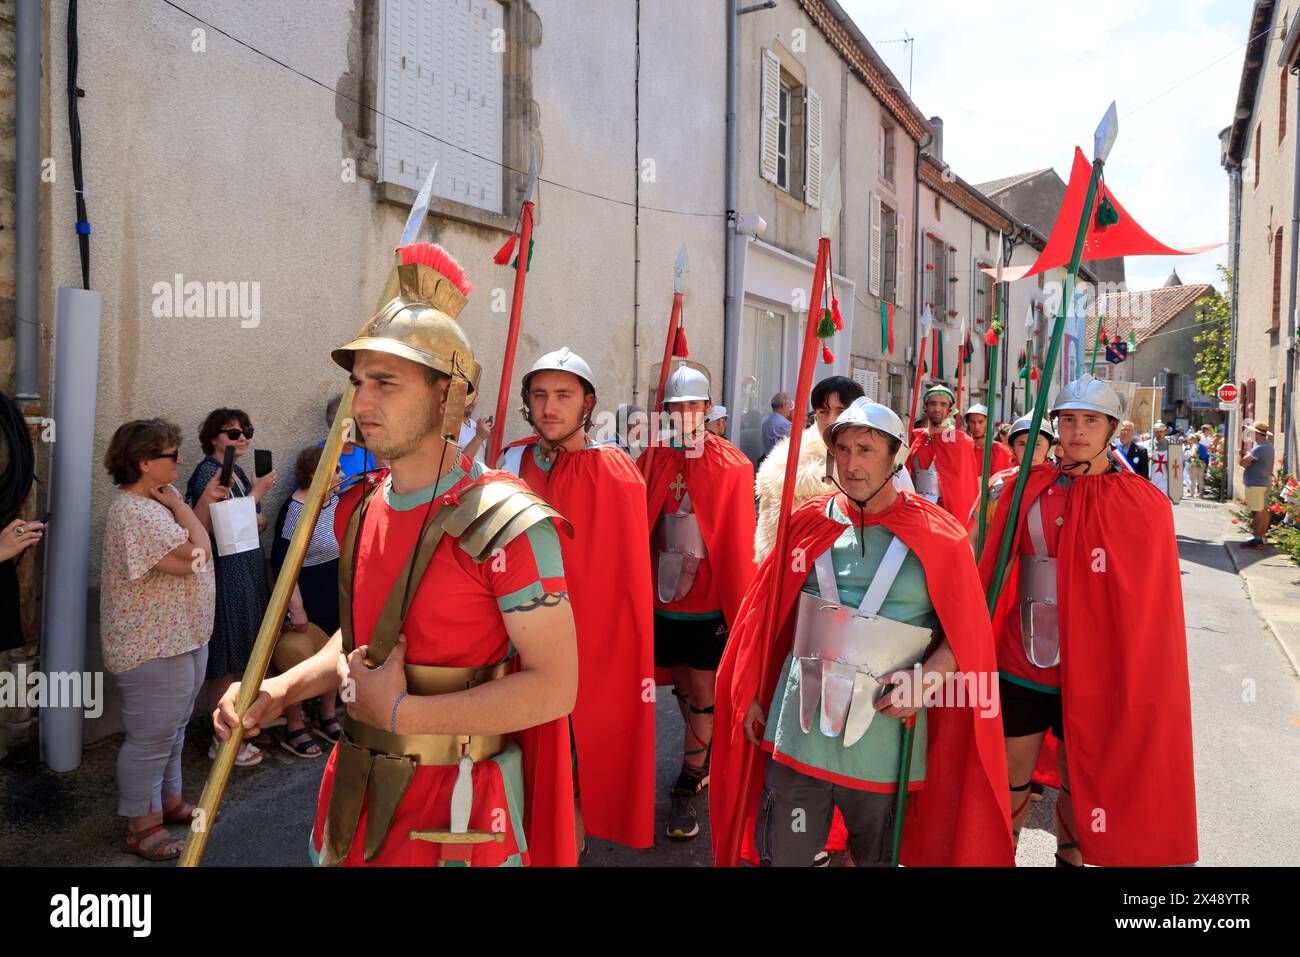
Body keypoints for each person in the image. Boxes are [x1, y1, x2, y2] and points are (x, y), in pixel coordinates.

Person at [215, 242, 579, 867]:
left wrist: (405, 710)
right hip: (354, 789)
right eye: (359, 382)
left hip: (457, 808)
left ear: (449, 396)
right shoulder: (364, 507)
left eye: (386, 382)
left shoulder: (508, 522)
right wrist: (279, 688)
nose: (360, 404)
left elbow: (554, 687)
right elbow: (361, 642)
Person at [710, 398, 1012, 866]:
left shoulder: (939, 536)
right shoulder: (808, 523)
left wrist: (926, 680)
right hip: (799, 730)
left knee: (873, 858)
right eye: (842, 450)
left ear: (896, 459)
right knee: (784, 854)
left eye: (866, 450)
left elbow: (967, 635)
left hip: (884, 735)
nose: (850, 463)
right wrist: (750, 689)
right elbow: (765, 620)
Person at [980, 375, 1197, 866]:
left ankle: (1070, 860)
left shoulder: (1142, 503)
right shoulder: (1019, 490)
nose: (1077, 430)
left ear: (1112, 428)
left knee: (1082, 778)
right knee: (1011, 777)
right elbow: (985, 566)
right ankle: (1001, 855)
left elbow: (1148, 605)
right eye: (1068, 419)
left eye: (1090, 420)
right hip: (1023, 660)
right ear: (1055, 426)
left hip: (1098, 670)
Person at [497, 347, 655, 857]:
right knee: (521, 735)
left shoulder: (616, 471)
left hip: (591, 628)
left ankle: (576, 825)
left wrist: (612, 637)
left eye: (563, 395)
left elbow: (625, 573)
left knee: (583, 729)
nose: (549, 407)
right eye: (540, 395)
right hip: (515, 624)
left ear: (587, 403)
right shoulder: (509, 460)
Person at [640, 364, 755, 840]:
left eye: (694, 405)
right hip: (663, 598)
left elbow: (737, 539)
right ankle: (702, 753)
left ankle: (689, 778)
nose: (685, 414)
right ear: (665, 411)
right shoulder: (652, 459)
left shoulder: (733, 465)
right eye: (676, 406)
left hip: (709, 601)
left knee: (704, 689)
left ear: (708, 410)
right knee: (682, 685)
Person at [100, 418, 215, 861]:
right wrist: (186, 511)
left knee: (173, 729)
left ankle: (168, 803)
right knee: (151, 738)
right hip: (153, 644)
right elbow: (197, 557)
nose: (179, 461)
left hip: (179, 636)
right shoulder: (135, 511)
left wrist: (178, 506)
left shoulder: (155, 504)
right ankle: (141, 826)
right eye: (170, 455)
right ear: (144, 462)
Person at [186, 408, 276, 768]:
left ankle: (237, 732)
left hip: (247, 570)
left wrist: (255, 510)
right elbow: (217, 527)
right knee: (226, 656)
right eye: (232, 433)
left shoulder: (236, 471)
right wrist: (256, 496)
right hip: (226, 574)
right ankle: (221, 740)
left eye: (246, 431)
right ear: (213, 439)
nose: (242, 438)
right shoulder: (211, 472)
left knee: (242, 653)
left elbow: (253, 521)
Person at [269, 446, 346, 756]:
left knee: (335, 658)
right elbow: (282, 562)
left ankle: (327, 714)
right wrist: (296, 607)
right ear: (316, 474)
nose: (342, 474)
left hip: (336, 597)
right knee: (298, 657)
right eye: (336, 469)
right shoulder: (296, 509)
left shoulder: (339, 502)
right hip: (308, 600)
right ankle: (294, 724)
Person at [754, 375, 864, 564]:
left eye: (841, 411)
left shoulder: (882, 462)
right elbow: (770, 544)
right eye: (823, 411)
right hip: (801, 572)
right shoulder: (784, 465)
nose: (831, 420)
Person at [968, 414, 1055, 549]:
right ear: (1012, 448)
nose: (1029, 451)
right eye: (1021, 444)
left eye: (1037, 444)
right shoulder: (999, 484)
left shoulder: (1061, 482)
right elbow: (974, 537)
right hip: (1003, 567)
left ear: (1048, 447)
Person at [906, 385, 978, 522]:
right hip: (916, 511)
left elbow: (964, 488)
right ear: (925, 408)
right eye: (933, 403)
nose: (937, 409)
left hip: (946, 515)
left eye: (943, 404)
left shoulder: (960, 442)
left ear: (950, 410)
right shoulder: (915, 439)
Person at [1239, 421, 1275, 549]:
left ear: (1256, 433)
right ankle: (1262, 537)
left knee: (1258, 512)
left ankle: (1257, 540)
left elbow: (1243, 462)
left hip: (1256, 483)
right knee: (1264, 510)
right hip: (1264, 482)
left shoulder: (1260, 448)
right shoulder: (1268, 446)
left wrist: (1242, 455)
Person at [964, 404, 1013, 478]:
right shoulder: (964, 449)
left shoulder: (1002, 451)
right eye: (972, 422)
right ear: (968, 423)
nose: (976, 426)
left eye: (980, 422)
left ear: (988, 422)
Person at [457, 396, 492, 465]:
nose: (472, 402)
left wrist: (491, 438)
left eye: (475, 396)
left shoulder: (476, 426)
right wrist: (479, 437)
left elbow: (486, 465)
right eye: (468, 395)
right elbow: (457, 467)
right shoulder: (449, 427)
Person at [761, 392, 794, 458]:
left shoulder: (766, 423)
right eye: (790, 405)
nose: (790, 409)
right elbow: (795, 446)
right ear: (783, 406)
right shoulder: (785, 424)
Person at [1184, 434, 1208, 498]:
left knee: (1193, 480)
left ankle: (1192, 494)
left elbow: (1193, 454)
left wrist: (1189, 458)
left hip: (1195, 464)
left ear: (1194, 439)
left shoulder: (1194, 446)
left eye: (1190, 438)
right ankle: (1201, 494)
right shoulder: (1200, 445)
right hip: (1202, 464)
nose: (1189, 439)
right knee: (1200, 479)